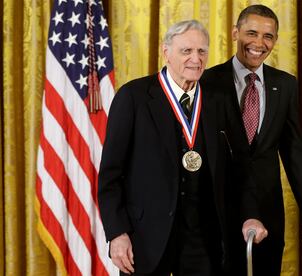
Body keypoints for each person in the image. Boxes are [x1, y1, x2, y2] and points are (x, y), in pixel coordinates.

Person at [98, 20, 267, 276]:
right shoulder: (133, 97)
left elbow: (242, 167)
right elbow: (110, 175)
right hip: (145, 241)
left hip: (205, 243)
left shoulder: (219, 100)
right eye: (186, 51)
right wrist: (117, 233)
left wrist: (251, 215)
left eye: (201, 51)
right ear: (166, 52)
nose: (195, 59)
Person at [202, 5, 302, 275]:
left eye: (268, 36)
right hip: (217, 212)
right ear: (235, 32)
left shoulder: (286, 85)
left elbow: (294, 153)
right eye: (252, 33)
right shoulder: (207, 82)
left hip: (268, 212)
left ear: (276, 41)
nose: (259, 43)